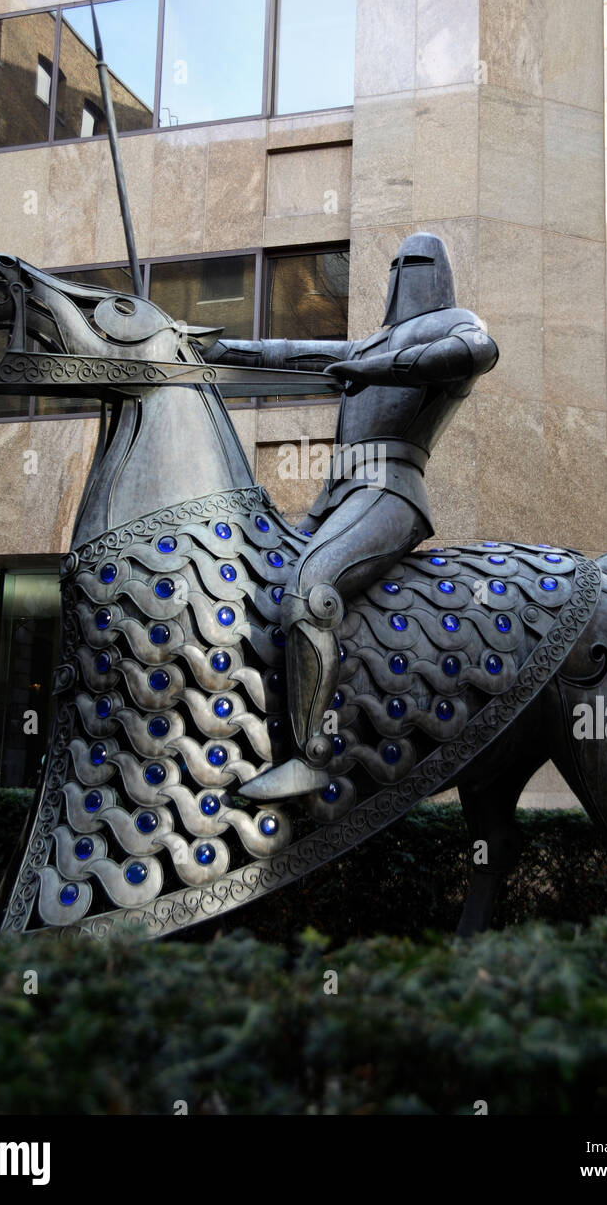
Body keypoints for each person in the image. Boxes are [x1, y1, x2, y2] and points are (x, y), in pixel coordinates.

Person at [206, 233, 499, 800]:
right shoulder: (368, 345)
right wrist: (207, 350)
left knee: (311, 589)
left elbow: (475, 351)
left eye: (415, 265)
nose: (402, 277)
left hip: (391, 492)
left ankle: (314, 754)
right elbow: (284, 353)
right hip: (336, 497)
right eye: (398, 265)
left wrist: (381, 366)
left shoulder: (455, 324)